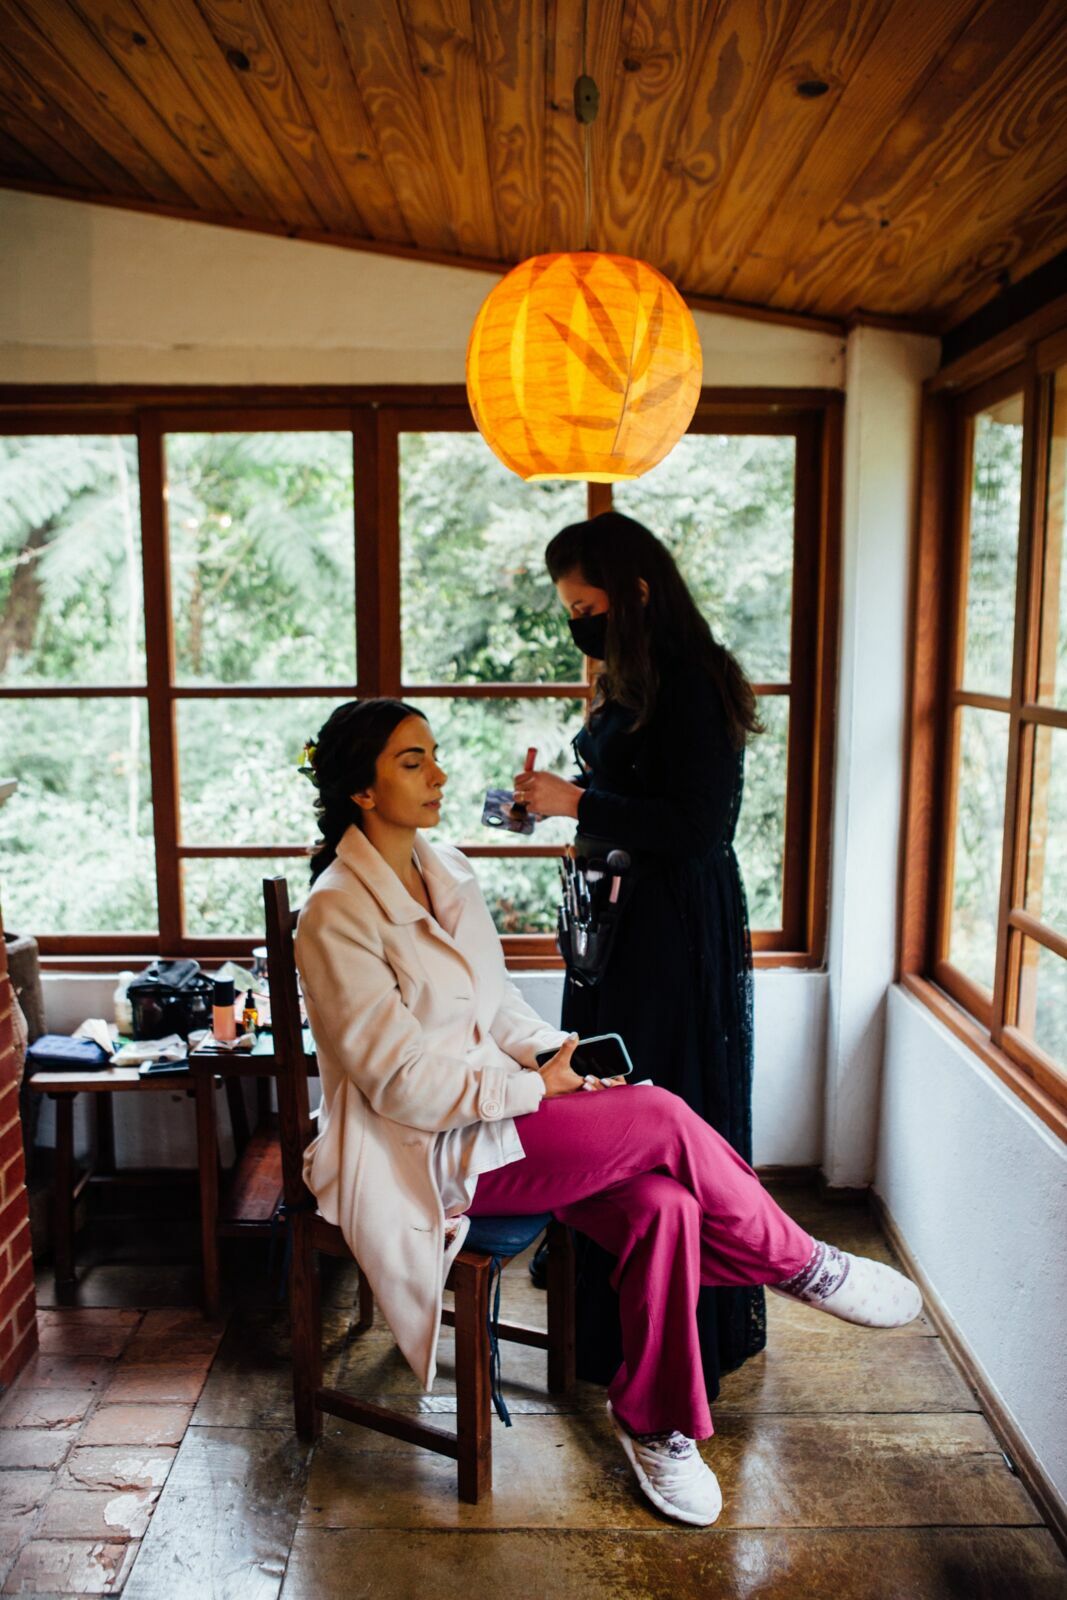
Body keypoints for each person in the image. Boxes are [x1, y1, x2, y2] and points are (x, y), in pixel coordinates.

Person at [294, 698, 922, 1528]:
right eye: (412, 762)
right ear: (362, 790)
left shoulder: (446, 869)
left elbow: (497, 1009)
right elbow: (397, 1085)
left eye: (434, 754)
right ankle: (799, 1264)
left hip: (497, 1117)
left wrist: (554, 1057)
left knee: (664, 1206)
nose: (438, 773)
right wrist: (534, 1092)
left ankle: (654, 1422)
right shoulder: (335, 911)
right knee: (656, 1114)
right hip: (417, 1149)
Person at [513, 509, 767, 1395]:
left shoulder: (696, 681)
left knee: (657, 1096)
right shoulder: (631, 675)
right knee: (600, 1092)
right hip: (615, 924)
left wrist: (577, 804)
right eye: (569, 610)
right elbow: (632, 792)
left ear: (638, 592)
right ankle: (601, 1295)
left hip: (669, 929)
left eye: (585, 607)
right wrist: (558, 803)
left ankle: (676, 1321)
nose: (576, 623)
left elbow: (698, 829)